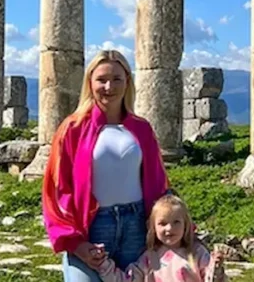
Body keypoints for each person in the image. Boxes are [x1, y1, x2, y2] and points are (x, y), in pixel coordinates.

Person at [42, 49, 172, 281]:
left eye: (116, 79)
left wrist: (177, 227)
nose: (109, 87)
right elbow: (57, 189)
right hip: (91, 229)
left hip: (136, 226)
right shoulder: (72, 129)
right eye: (101, 80)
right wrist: (75, 243)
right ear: (90, 83)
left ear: (127, 82)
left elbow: (158, 183)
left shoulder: (142, 128)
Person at [94, 195, 226, 282]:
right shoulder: (149, 258)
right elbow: (127, 280)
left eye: (176, 222)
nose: (169, 228)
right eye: (163, 223)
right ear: (153, 227)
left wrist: (216, 266)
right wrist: (104, 264)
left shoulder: (196, 252)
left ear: (186, 225)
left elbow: (212, 279)